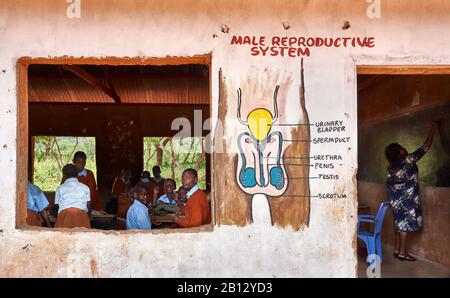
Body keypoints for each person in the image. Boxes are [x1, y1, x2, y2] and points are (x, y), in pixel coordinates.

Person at [385, 121, 439, 262]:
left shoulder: (391, 168)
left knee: (399, 225)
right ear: (399, 153)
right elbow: (425, 147)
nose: (404, 148)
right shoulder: (408, 161)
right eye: (401, 148)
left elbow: (389, 185)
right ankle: (403, 253)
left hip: (395, 199)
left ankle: (397, 250)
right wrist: (433, 129)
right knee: (404, 227)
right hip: (406, 199)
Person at [55, 164, 91, 229]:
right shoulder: (85, 187)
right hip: (81, 216)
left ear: (64, 176)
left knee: (63, 238)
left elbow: (57, 206)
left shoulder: (59, 188)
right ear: (77, 174)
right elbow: (88, 205)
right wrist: (88, 219)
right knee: (82, 238)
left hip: (64, 216)